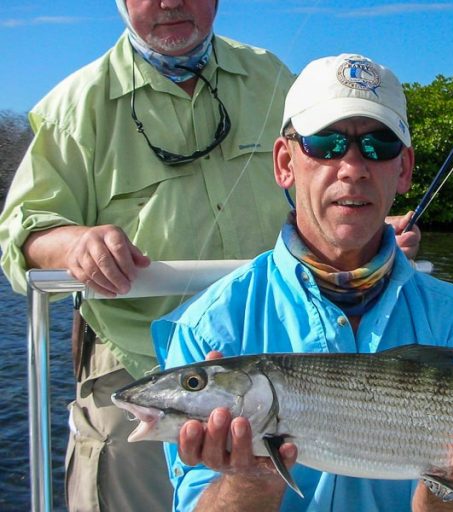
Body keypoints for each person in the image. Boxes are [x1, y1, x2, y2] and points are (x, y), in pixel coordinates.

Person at [0, 3, 418, 511]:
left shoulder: (272, 77)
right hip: (134, 363)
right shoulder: (74, 106)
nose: (170, 2)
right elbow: (21, 235)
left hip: (276, 351)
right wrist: (73, 243)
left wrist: (362, 222)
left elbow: (322, 176)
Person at [152, 53, 453, 512]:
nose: (352, 167)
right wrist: (251, 479)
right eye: (326, 143)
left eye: (377, 146)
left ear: (403, 169)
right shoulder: (208, 328)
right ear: (285, 162)